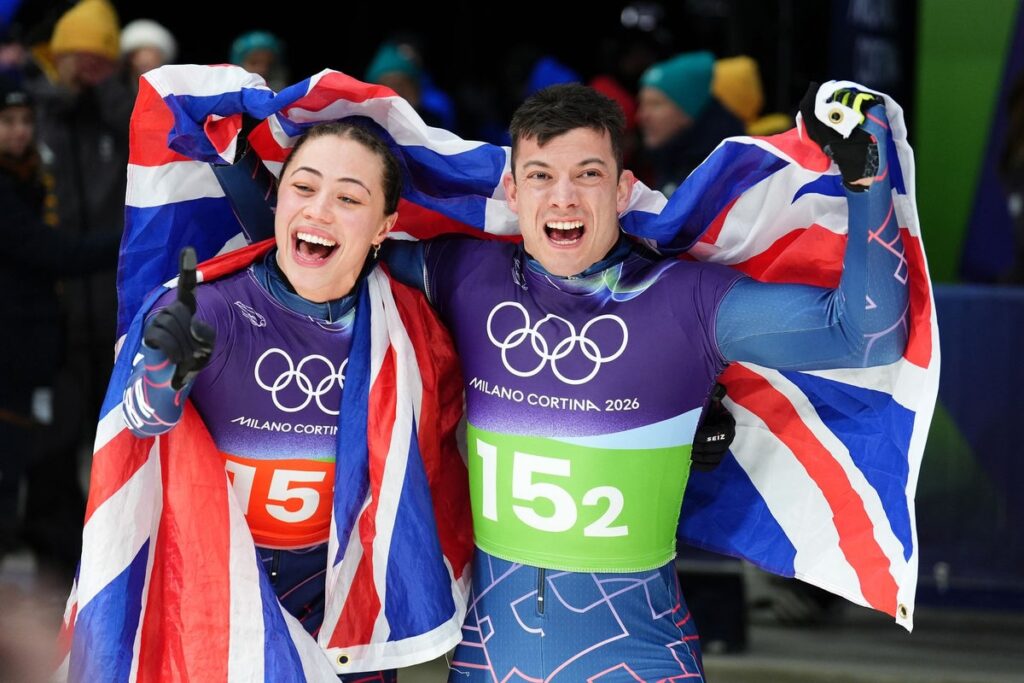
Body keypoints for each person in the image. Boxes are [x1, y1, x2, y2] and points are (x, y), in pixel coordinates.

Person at [381, 82, 908, 681]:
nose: (564, 199)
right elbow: (329, 254)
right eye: (539, 176)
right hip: (487, 664)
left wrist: (867, 171)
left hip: (642, 663)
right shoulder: (460, 273)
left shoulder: (688, 303)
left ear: (624, 188)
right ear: (510, 191)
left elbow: (867, 336)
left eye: (588, 175)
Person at [119, 121, 452, 682]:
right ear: (278, 200)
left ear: (384, 227)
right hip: (217, 604)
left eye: (349, 198)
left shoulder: (408, 319)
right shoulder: (211, 306)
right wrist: (162, 373)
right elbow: (140, 425)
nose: (320, 210)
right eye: (303, 187)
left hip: (342, 613)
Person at [0, 78, 117, 565]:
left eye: (27, 121)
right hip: (10, 347)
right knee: (16, 456)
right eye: (8, 122)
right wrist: (130, 235)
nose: (21, 132)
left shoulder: (31, 178)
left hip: (36, 344)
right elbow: (48, 252)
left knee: (39, 451)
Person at [636, 51, 745, 195]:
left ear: (689, 110)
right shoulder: (670, 161)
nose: (642, 116)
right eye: (642, 104)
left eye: (655, 104)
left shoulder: (724, 175)